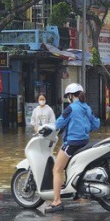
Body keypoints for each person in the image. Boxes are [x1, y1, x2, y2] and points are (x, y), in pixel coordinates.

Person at [46, 83, 101, 213]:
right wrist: (85, 128)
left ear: (70, 95)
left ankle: (56, 201)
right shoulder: (87, 107)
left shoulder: (70, 108)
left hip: (72, 144)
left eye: (68, 96)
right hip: (85, 142)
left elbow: (58, 123)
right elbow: (96, 124)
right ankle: (74, 192)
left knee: (57, 169)